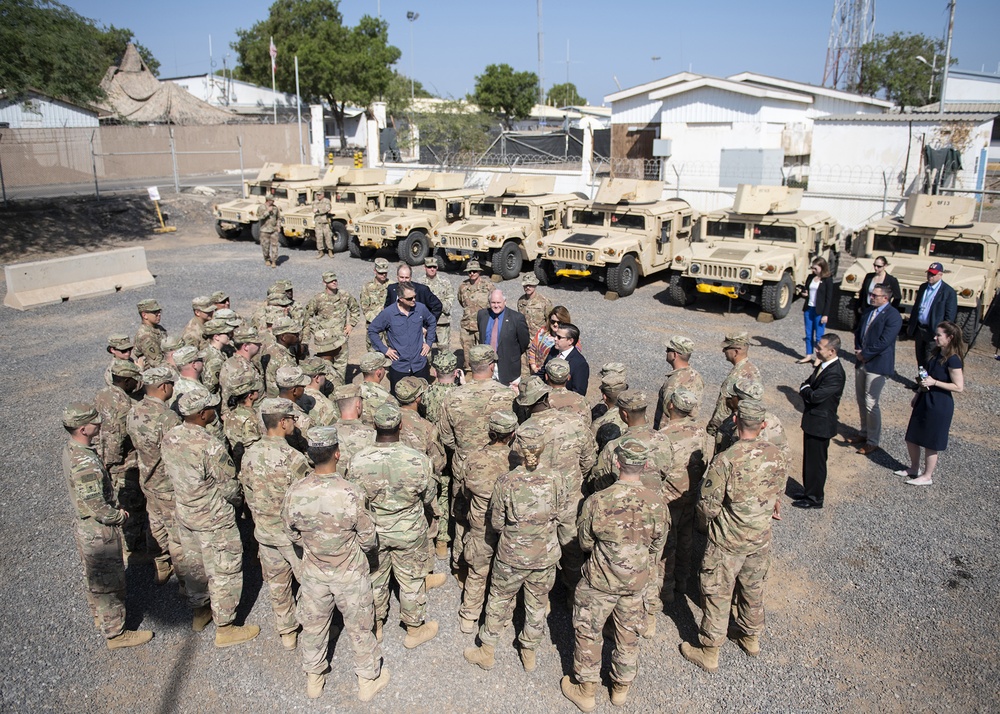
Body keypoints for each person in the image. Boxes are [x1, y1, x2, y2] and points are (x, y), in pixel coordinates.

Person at [282, 426, 390, 702]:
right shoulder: (351, 493)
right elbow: (368, 538)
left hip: (315, 571)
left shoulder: (295, 491)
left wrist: (312, 544)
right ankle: (367, 681)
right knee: (360, 627)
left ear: (310, 455)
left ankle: (314, 679)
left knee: (314, 626)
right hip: (349, 573)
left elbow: (290, 531)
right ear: (337, 454)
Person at [679, 399, 786, 673]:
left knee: (717, 591)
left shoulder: (726, 459)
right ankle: (750, 637)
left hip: (728, 541)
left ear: (736, 422)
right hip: (759, 538)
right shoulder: (776, 454)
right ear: (762, 425)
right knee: (753, 587)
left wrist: (705, 526)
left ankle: (710, 650)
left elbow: (708, 504)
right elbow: (777, 492)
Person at [561, 438, 667, 711]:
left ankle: (586, 690)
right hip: (635, 583)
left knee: (588, 632)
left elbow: (584, 542)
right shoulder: (657, 504)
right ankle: (620, 688)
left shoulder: (598, 501)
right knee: (628, 635)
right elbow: (657, 547)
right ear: (644, 465)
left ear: (617, 462)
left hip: (600, 581)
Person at [464, 423, 576, 673]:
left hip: (511, 554)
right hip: (545, 555)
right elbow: (562, 515)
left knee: (499, 599)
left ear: (519, 448)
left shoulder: (507, 480)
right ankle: (529, 651)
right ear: (543, 447)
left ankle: (487, 650)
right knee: (537, 604)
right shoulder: (557, 479)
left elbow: (496, 522)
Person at [161, 387, 260, 648]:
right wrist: (240, 503)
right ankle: (225, 627)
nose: (214, 412)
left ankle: (200, 612)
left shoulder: (170, 438)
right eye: (211, 409)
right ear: (202, 414)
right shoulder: (210, 445)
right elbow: (228, 486)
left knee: (195, 567)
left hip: (186, 514)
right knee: (224, 569)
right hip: (214, 518)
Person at [346, 404, 439, 650]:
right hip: (409, 530)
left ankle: (376, 625)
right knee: (411, 579)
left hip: (375, 531)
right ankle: (414, 629)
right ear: (400, 426)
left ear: (374, 427)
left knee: (375, 577)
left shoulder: (358, 461)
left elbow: (353, 499)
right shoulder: (417, 459)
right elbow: (429, 495)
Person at [62, 402, 153, 650]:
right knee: (110, 583)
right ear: (82, 429)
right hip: (97, 530)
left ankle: (100, 618)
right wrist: (119, 516)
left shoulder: (73, 449)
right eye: (94, 422)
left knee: (95, 577)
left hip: (86, 526)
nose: (99, 424)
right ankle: (116, 633)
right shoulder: (86, 464)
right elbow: (97, 507)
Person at [240, 398, 311, 649]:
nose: (294, 423)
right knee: (309, 582)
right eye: (292, 419)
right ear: (282, 422)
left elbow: (247, 493)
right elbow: (306, 500)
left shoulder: (249, 454)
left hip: (265, 532)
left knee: (278, 584)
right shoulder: (293, 458)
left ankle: (287, 632)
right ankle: (314, 628)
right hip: (291, 536)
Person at [457, 410, 519, 634]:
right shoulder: (516, 461)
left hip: (481, 523)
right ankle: (500, 619)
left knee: (477, 570)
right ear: (512, 434)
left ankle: (469, 615)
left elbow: (465, 490)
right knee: (505, 575)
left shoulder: (474, 457)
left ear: (490, 432)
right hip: (509, 525)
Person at [127, 366, 185, 586]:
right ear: (163, 386)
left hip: (147, 478)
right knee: (177, 533)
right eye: (171, 384)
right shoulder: (167, 417)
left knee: (156, 524)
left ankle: (161, 564)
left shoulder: (134, 410)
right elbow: (178, 451)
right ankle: (183, 580)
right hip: (167, 484)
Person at [898, 321, 965, 485]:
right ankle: (914, 468)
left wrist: (935, 382)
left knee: (930, 442)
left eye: (939, 335)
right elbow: (925, 377)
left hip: (939, 404)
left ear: (949, 338)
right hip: (925, 399)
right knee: (912, 437)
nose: (935, 337)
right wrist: (918, 394)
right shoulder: (936, 353)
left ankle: (927, 476)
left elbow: (959, 387)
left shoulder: (953, 360)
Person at [793, 333, 846, 509]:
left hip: (821, 425)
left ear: (831, 351)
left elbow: (814, 396)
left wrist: (805, 391)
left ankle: (815, 498)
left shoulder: (835, 373)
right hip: (813, 422)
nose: (816, 350)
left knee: (817, 463)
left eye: (820, 347)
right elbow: (806, 383)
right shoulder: (824, 366)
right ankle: (809, 491)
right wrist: (806, 388)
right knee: (810, 460)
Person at [850, 284, 902, 456]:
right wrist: (858, 349)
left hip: (877, 365)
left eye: (875, 295)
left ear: (885, 298)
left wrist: (865, 354)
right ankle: (863, 432)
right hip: (862, 361)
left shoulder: (893, 316)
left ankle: (873, 441)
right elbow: (859, 332)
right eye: (871, 294)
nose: (871, 297)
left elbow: (884, 341)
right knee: (860, 399)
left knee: (871, 402)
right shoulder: (868, 311)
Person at [368, 282, 437, 391]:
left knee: (422, 397)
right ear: (400, 298)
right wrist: (384, 350)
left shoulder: (420, 308)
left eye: (415, 297)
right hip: (399, 366)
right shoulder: (388, 313)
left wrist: (428, 343)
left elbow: (432, 321)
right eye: (409, 298)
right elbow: (372, 330)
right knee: (399, 399)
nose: (413, 300)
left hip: (419, 364)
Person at [302, 272, 360, 384]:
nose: (334, 282)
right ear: (324, 283)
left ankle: (339, 387)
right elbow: (307, 316)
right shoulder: (318, 299)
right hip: (325, 342)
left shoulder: (345, 295)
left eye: (335, 280)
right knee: (324, 366)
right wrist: (316, 331)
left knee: (341, 366)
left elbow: (355, 309)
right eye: (330, 281)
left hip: (341, 338)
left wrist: (351, 325)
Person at [707, 332, 760, 447]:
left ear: (736, 351)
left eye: (726, 348)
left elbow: (724, 407)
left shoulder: (738, 375)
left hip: (730, 430)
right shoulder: (751, 369)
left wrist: (713, 427)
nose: (723, 351)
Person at [907, 262, 958, 370]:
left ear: (940, 275)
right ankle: (921, 382)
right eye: (929, 273)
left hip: (933, 331)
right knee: (920, 358)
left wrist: (943, 333)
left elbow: (950, 316)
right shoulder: (923, 287)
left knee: (930, 358)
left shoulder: (948, 292)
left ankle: (929, 383)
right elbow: (917, 307)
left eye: (933, 274)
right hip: (920, 328)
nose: (930, 276)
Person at [477, 289, 530, 386]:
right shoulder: (482, 315)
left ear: (505, 302)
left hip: (508, 368)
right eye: (493, 303)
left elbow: (524, 342)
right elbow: (481, 336)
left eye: (498, 302)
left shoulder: (517, 318)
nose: (496, 305)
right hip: (486, 366)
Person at [653, 336, 704, 428]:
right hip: (689, 430)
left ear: (674, 355)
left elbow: (667, 414)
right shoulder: (696, 376)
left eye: (668, 350)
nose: (666, 352)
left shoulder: (673, 382)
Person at [796, 257, 834, 365]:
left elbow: (828, 298)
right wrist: (805, 294)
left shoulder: (828, 279)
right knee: (808, 334)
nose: (813, 270)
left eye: (815, 268)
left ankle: (819, 357)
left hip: (820, 310)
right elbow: (807, 291)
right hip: (809, 308)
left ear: (822, 268)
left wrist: (825, 314)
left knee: (819, 336)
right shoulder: (811, 277)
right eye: (812, 268)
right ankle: (808, 355)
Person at [457, 260, 492, 369]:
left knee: (484, 354)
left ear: (479, 272)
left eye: (474, 271)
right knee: (468, 355)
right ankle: (468, 376)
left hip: (482, 325)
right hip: (467, 325)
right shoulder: (463, 286)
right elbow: (461, 302)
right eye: (469, 272)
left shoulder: (488, 286)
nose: (472, 273)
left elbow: (494, 303)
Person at [541, 322, 589, 397]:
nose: (555, 339)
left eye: (559, 337)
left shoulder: (579, 363)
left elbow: (578, 393)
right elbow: (543, 372)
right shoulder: (554, 350)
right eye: (556, 335)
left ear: (570, 341)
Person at [544, 358, 592, 426]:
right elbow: (587, 425)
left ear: (546, 376)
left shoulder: (543, 401)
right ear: (568, 377)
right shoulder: (582, 400)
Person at [527, 305, 571, 376]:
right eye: (553, 321)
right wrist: (533, 367)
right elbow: (532, 350)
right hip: (538, 373)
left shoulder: (570, 338)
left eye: (559, 322)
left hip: (556, 378)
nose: (555, 324)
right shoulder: (542, 332)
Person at [423, 257, 455, 349]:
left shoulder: (445, 282)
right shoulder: (420, 282)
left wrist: (440, 306)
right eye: (429, 267)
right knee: (425, 350)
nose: (432, 269)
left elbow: (450, 298)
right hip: (426, 322)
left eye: (434, 267)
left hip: (442, 320)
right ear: (425, 267)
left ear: (437, 267)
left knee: (443, 349)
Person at [855, 256, 901, 320]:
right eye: (874, 265)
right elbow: (863, 292)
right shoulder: (869, 276)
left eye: (879, 266)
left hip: (881, 312)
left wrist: (890, 310)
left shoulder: (891, 280)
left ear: (885, 266)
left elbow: (897, 297)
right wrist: (860, 306)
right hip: (867, 309)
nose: (876, 268)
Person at [360, 258, 391, 351]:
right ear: (375, 271)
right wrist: (376, 321)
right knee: (373, 350)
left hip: (390, 324)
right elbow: (365, 307)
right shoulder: (367, 287)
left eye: (385, 272)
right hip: (374, 323)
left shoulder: (392, 285)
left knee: (394, 349)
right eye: (380, 273)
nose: (383, 275)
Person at [517, 273, 553, 341]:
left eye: (530, 285)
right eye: (525, 285)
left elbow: (550, 320)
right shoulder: (521, 301)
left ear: (535, 285)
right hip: (525, 338)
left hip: (539, 339)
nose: (527, 287)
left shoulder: (544, 301)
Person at [134, 298, 166, 369]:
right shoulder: (145, 336)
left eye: (159, 311)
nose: (159, 314)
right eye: (155, 312)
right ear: (144, 315)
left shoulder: (158, 328)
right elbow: (157, 362)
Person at [259, 196, 281, 268]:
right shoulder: (261, 207)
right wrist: (267, 211)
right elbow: (260, 217)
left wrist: (278, 226)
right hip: (264, 230)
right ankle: (267, 259)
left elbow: (278, 218)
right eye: (272, 200)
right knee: (265, 246)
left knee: (275, 245)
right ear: (268, 200)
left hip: (273, 230)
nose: (273, 202)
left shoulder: (275, 208)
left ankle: (274, 261)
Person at [312, 190, 333, 259]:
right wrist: (318, 210)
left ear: (323, 195)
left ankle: (330, 251)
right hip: (318, 222)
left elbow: (327, 209)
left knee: (328, 236)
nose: (318, 196)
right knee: (319, 237)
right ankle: (321, 251)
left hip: (325, 222)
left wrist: (318, 210)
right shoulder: (315, 202)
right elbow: (313, 210)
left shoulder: (326, 201)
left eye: (319, 195)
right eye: (317, 195)